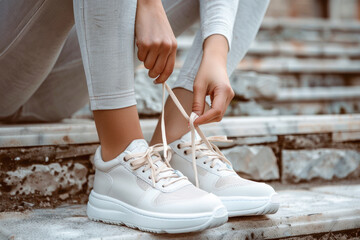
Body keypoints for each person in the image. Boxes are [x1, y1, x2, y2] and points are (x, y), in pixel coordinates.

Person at [0, 0, 278, 233]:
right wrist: (147, 3)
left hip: (62, 80)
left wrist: (217, 51)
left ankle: (174, 144)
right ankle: (119, 159)